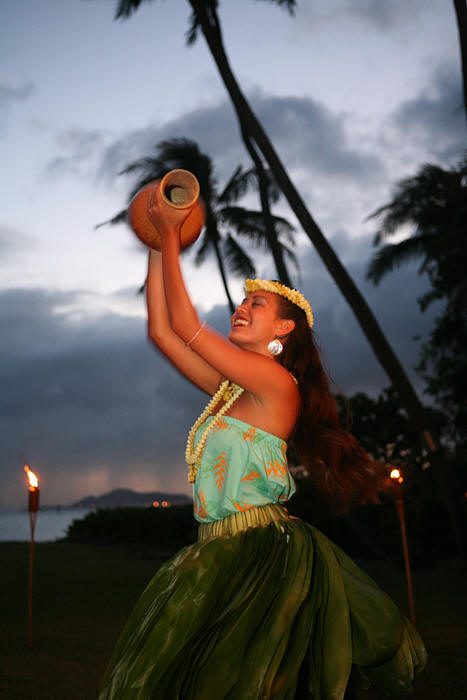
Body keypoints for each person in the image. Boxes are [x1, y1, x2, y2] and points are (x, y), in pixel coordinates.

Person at [99, 191, 427, 699]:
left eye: (257, 304)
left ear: (283, 329)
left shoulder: (277, 386)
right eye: (244, 300)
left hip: (261, 555)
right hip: (216, 549)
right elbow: (163, 332)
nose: (241, 307)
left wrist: (170, 232)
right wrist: (154, 240)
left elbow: (187, 326)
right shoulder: (234, 391)